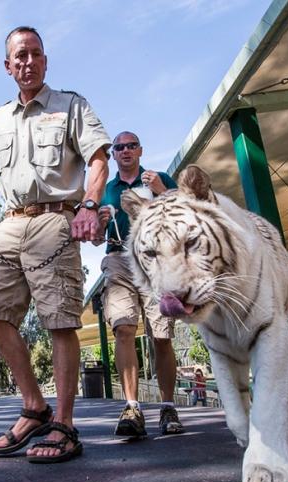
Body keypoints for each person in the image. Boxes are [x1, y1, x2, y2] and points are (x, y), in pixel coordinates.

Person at [0, 26, 111, 464]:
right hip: (8, 224)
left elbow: (99, 157)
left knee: (59, 318)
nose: (27, 62)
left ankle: (64, 424)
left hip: (56, 218)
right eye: (19, 56)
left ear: (45, 61)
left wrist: (89, 205)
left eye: (35, 55)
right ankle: (34, 406)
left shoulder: (71, 105)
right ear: (8, 66)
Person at [97, 131, 184, 438]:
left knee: (160, 335)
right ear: (114, 155)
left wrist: (162, 193)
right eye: (119, 147)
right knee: (123, 327)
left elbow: (186, 215)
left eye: (131, 145)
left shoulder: (159, 179)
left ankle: (167, 406)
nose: (125, 151)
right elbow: (95, 238)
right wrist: (101, 224)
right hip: (119, 258)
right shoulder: (106, 191)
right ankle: (132, 406)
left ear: (140, 150)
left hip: (155, 260)